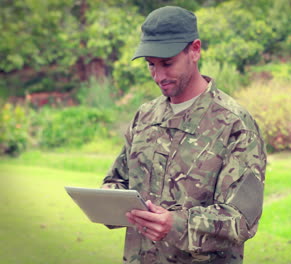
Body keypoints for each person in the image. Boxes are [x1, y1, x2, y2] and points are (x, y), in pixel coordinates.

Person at [101, 6, 267, 264]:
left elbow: (241, 219)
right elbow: (118, 180)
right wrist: (107, 200)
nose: (159, 76)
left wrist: (175, 225)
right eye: (151, 65)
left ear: (195, 50)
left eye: (167, 63)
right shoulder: (145, 116)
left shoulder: (235, 124)